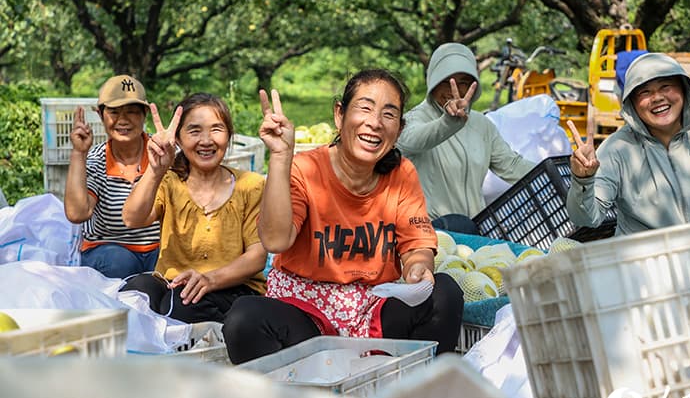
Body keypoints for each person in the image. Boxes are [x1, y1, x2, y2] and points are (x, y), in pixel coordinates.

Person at [223, 69, 464, 365]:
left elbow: (417, 247)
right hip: (306, 316)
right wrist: (280, 157)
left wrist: (417, 269)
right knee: (243, 318)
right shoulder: (304, 169)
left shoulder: (402, 174)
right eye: (364, 108)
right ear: (340, 114)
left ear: (399, 130)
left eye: (388, 115)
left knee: (445, 291)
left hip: (373, 310)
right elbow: (274, 239)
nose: (374, 123)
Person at [566, 52, 690, 235]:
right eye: (644, 92)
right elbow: (587, 219)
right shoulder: (617, 148)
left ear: (683, 89)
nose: (657, 98)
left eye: (665, 86)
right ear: (631, 104)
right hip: (641, 266)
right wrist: (583, 181)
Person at [121, 93, 267, 324]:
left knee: (183, 306)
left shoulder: (250, 185)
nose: (206, 140)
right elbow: (132, 218)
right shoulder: (168, 181)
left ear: (229, 136)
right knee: (134, 293)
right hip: (173, 285)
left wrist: (210, 279)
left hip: (232, 288)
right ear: (177, 139)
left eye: (216, 129)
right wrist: (156, 170)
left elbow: (257, 257)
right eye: (195, 131)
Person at [396, 42, 535, 233]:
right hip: (432, 233)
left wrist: (571, 175)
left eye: (463, 82)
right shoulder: (415, 118)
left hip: (474, 233)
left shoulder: (482, 125)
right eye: (446, 81)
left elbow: (511, 166)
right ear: (433, 81)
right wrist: (448, 122)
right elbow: (411, 141)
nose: (455, 90)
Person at [63, 75, 160, 278]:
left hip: (156, 249)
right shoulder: (97, 159)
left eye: (132, 112)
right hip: (108, 250)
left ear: (144, 114)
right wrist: (79, 153)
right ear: (101, 115)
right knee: (120, 262)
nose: (123, 120)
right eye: (114, 112)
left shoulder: (161, 155)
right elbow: (77, 213)